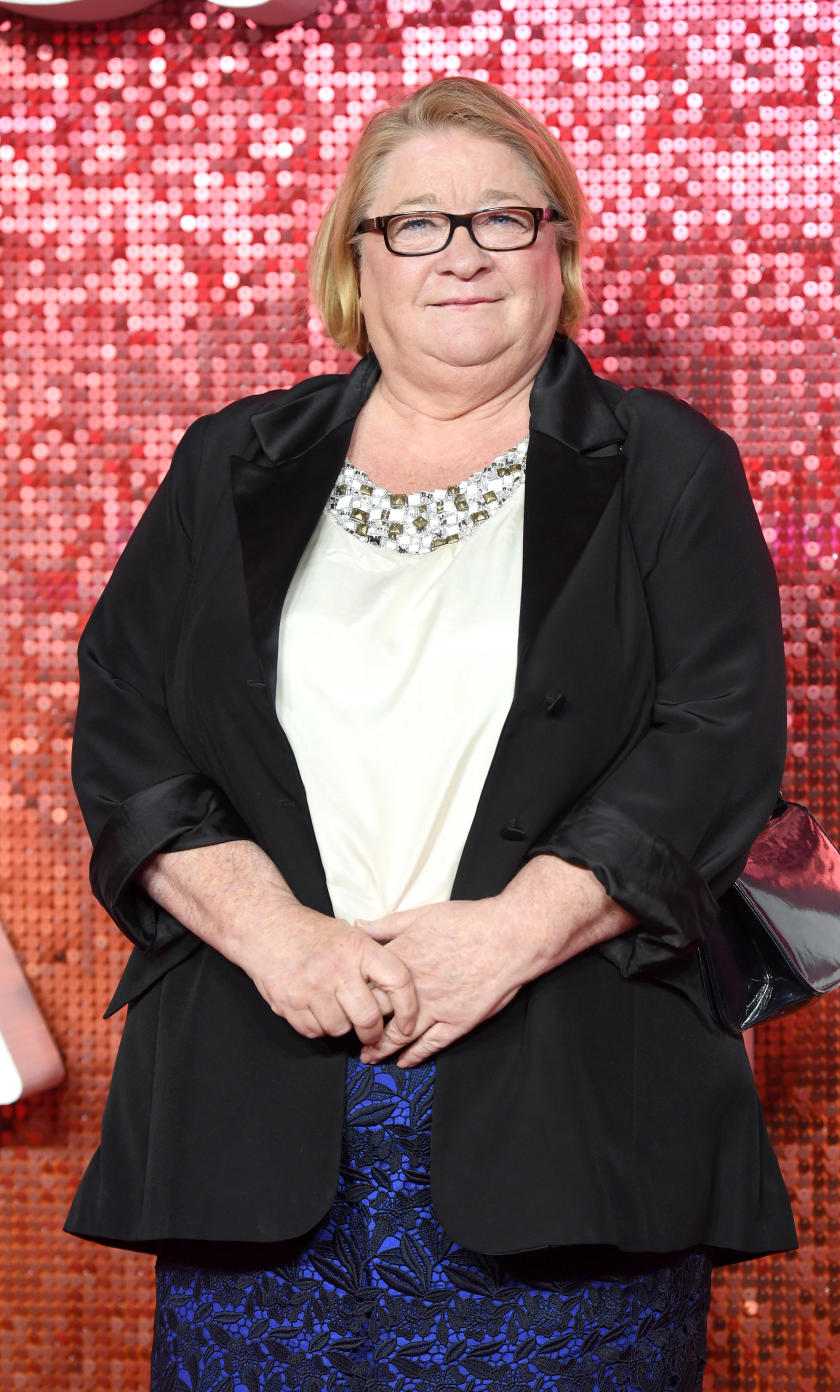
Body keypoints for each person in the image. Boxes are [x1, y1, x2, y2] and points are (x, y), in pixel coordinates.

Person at [66, 76, 797, 1391]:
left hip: (571, 1118)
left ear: (558, 249)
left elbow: (717, 736)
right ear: (355, 264)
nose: (461, 252)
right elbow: (124, 719)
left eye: (502, 218)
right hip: (255, 1100)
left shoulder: (670, 464)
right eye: (414, 224)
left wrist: (506, 937)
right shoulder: (227, 463)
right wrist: (269, 933)